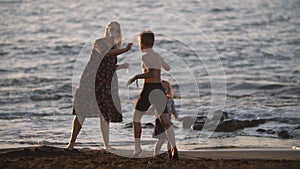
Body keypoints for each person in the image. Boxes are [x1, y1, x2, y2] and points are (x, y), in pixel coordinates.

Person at [67, 21, 133, 150]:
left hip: (106, 82)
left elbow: (108, 65)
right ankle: (71, 143)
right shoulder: (99, 42)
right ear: (107, 30)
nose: (113, 31)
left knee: (105, 113)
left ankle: (106, 145)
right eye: (111, 29)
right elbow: (105, 54)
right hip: (90, 80)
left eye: (117, 30)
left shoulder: (115, 46)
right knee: (82, 111)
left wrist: (121, 66)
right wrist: (125, 50)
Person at [127, 30, 179, 160]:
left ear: (142, 44)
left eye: (139, 42)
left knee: (136, 117)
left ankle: (137, 147)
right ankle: (174, 147)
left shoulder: (145, 57)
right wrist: (159, 63)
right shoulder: (157, 56)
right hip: (159, 90)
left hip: (149, 89)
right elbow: (167, 68)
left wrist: (136, 76)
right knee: (166, 121)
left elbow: (152, 73)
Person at [152, 80, 182, 158]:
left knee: (170, 139)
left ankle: (170, 153)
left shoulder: (170, 99)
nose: (164, 91)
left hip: (168, 121)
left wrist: (177, 117)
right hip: (160, 121)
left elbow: (173, 110)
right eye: (162, 89)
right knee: (161, 140)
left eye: (166, 89)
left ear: (168, 90)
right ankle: (156, 154)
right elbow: (153, 109)